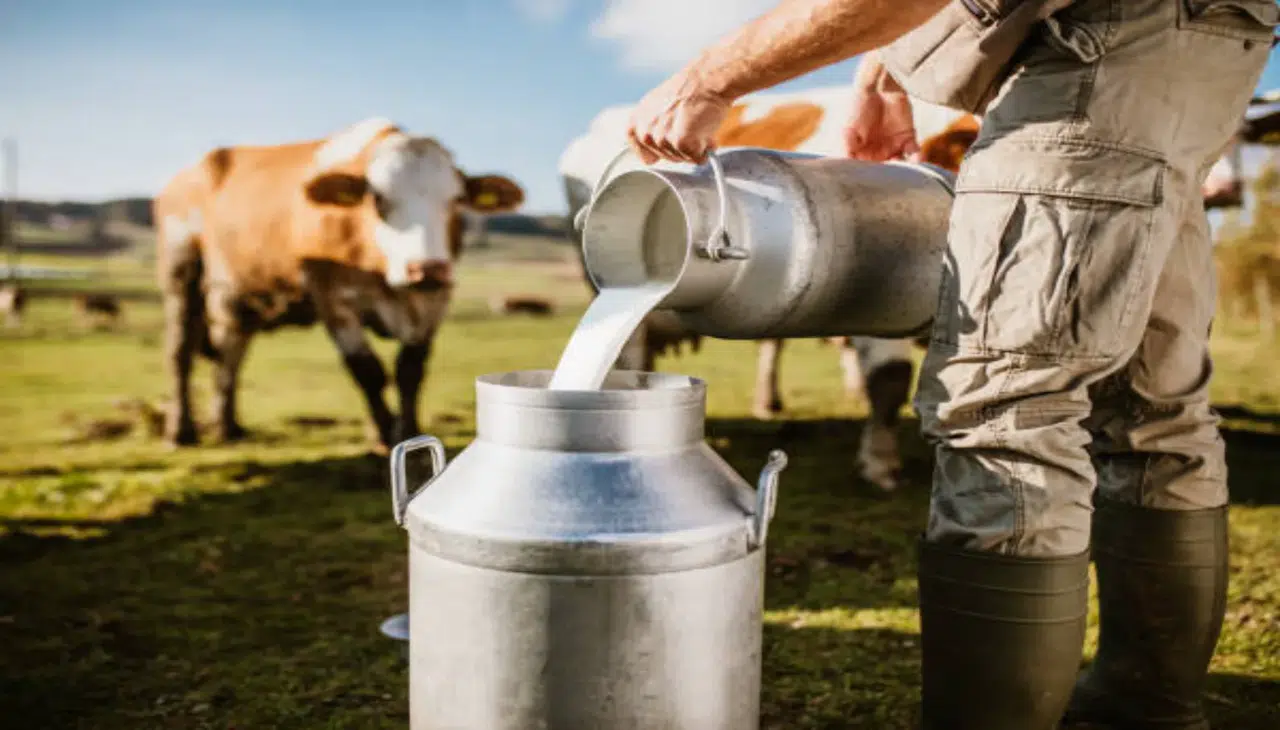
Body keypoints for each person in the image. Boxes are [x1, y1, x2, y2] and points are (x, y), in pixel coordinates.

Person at [624, 1, 1276, 728]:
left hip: (1092, 52)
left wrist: (707, 80)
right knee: (1151, 404)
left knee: (1006, 408)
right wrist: (881, 70)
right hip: (1194, 46)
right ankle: (1142, 711)